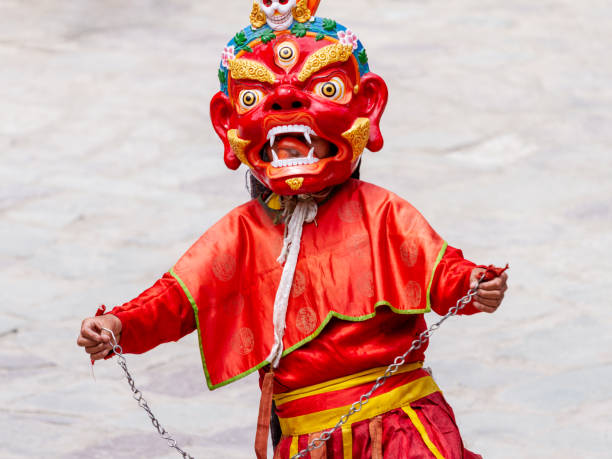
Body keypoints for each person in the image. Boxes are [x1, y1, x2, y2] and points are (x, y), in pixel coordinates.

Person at [77, 1, 508, 457]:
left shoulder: (383, 213)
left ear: (367, 108)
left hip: (403, 429)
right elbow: (176, 300)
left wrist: (474, 284)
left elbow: (443, 273)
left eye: (325, 87)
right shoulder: (240, 235)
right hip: (306, 440)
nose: (285, 101)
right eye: (253, 97)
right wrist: (116, 324)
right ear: (227, 125)